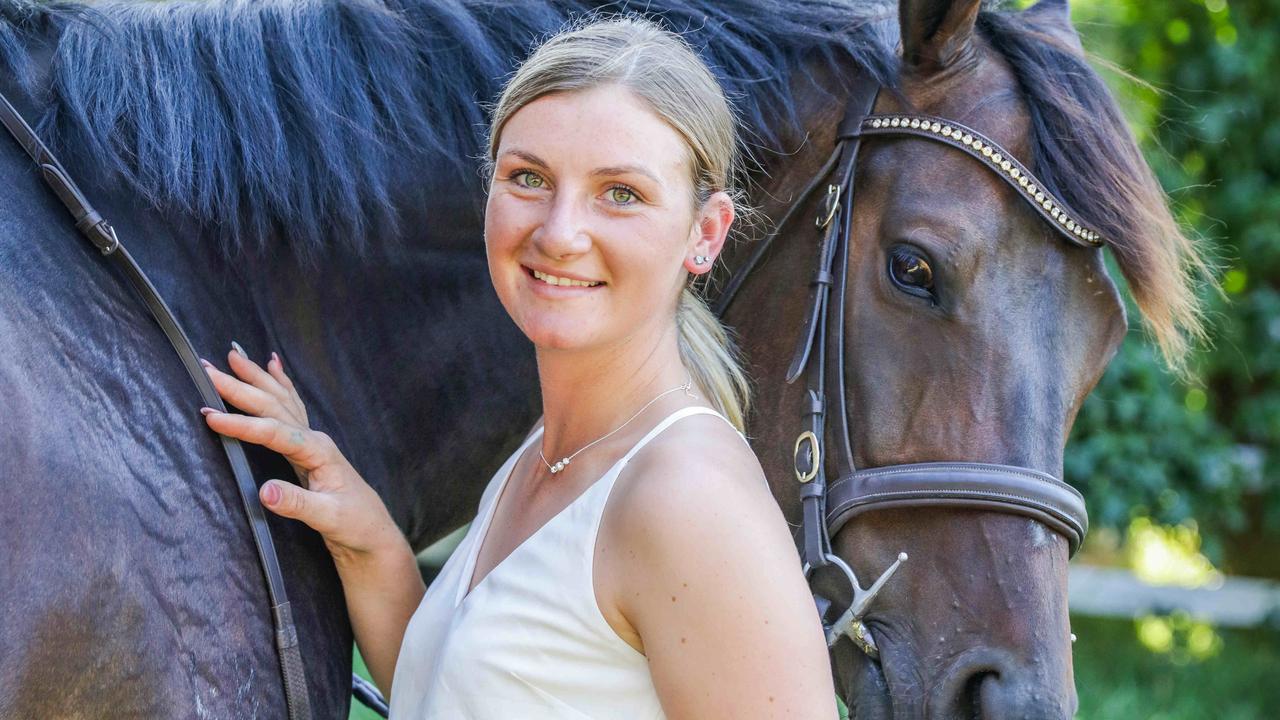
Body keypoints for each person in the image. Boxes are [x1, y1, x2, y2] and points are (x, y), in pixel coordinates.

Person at [199, 16, 837, 719]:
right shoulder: (549, 449)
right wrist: (365, 537)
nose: (560, 233)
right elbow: (467, 695)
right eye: (528, 178)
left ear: (704, 234)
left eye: (620, 193)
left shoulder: (688, 499)